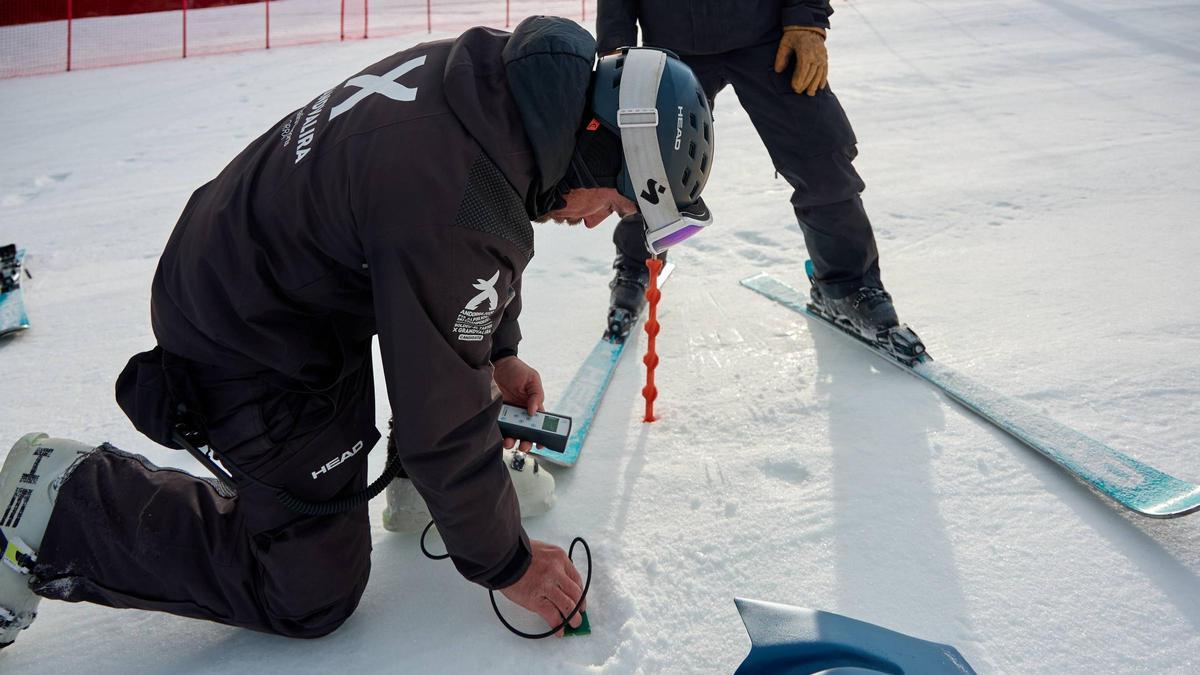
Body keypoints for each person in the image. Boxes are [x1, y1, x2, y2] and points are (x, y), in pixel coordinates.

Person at [0, 16, 714, 647]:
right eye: (617, 202)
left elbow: (475, 242)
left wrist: (498, 351)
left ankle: (424, 489)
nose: (598, 220)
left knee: (434, 354)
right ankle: (66, 503)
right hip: (246, 326)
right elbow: (444, 394)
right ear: (597, 143)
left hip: (280, 271)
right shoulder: (454, 197)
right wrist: (510, 564)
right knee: (309, 587)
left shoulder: (509, 84)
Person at [597, 0, 903, 342]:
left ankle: (848, 286)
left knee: (821, 156)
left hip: (770, 36)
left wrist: (807, 23)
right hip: (674, 42)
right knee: (645, 158)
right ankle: (638, 266)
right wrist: (616, 50)